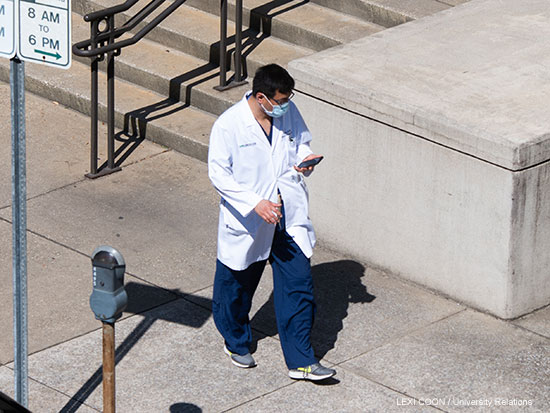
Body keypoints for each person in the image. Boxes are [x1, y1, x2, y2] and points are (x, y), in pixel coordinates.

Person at [208, 64, 335, 381]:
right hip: (250, 220)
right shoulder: (229, 126)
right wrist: (255, 203)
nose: (285, 105)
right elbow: (218, 175)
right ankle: (236, 341)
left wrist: (304, 161)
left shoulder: (287, 113)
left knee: (299, 286)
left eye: (288, 98)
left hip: (287, 216)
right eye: (281, 100)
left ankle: (302, 360)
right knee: (235, 287)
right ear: (261, 96)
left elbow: (300, 142)